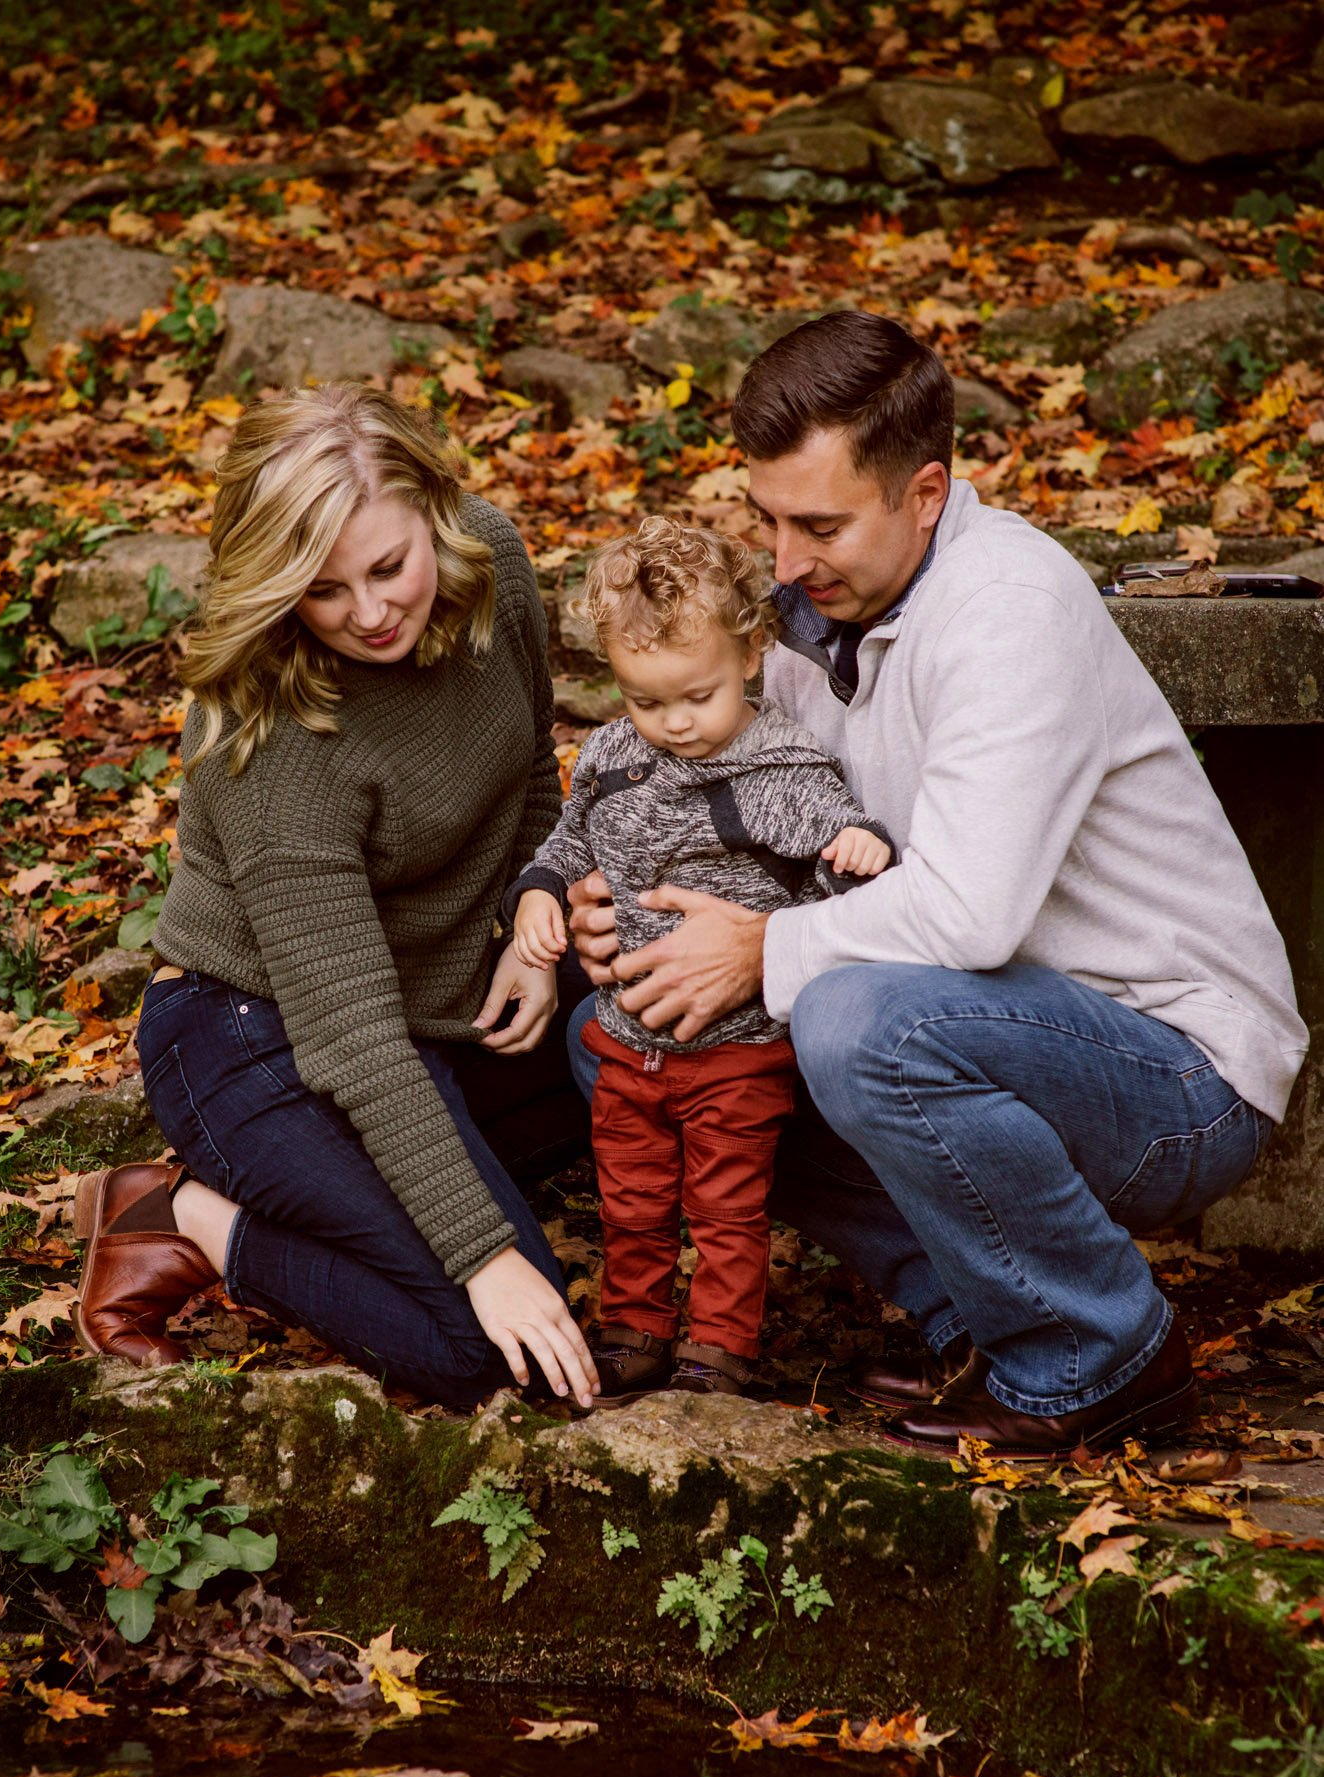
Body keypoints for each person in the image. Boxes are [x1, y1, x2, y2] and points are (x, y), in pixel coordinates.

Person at [562, 309, 1308, 1458]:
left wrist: (755, 952)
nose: (783, 564)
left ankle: (1099, 1354)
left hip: (1174, 1072)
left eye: (818, 525)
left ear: (923, 495)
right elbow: (740, 805)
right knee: (633, 1033)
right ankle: (982, 1314)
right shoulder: (816, 612)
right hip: (989, 1026)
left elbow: (967, 913)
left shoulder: (1010, 610)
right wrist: (630, 907)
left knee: (862, 1019)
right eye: (766, 520)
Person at [74, 381, 598, 1412]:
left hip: (433, 997)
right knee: (487, 1350)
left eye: (390, 567)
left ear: (437, 515)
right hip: (257, 1037)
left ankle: (362, 1193)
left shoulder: (494, 565)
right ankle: (187, 1217)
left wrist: (538, 935)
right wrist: (484, 1254)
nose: (369, 613)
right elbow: (351, 1040)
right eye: (321, 590)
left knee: (645, 1034)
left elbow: (532, 771)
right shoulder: (266, 734)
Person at [506, 517, 893, 1402]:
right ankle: (634, 1328)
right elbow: (570, 843)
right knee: (631, 1206)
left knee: (726, 1212)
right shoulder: (611, 755)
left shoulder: (776, 770)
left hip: (735, 1050)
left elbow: (839, 850)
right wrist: (535, 891)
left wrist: (860, 842)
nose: (674, 724)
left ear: (751, 654)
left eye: (696, 696)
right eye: (647, 701)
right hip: (626, 1042)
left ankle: (721, 1347)